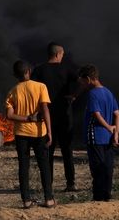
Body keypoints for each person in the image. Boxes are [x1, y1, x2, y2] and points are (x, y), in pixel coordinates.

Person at [6, 60, 54, 209]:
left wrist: (26, 118)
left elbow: (9, 115)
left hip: (21, 134)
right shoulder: (41, 87)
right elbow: (45, 109)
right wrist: (50, 131)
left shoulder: (12, 91)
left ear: (15, 75)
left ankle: (26, 201)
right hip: (39, 133)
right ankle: (49, 199)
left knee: (23, 166)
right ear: (29, 71)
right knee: (44, 165)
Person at [31, 42, 79, 192]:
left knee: (48, 152)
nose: (62, 57)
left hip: (47, 117)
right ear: (58, 54)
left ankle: (48, 184)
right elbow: (81, 81)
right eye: (62, 55)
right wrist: (74, 95)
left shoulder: (39, 70)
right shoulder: (67, 70)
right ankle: (71, 183)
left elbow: (31, 90)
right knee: (67, 151)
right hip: (65, 116)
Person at [79, 64, 119, 202]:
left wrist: (109, 127)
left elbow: (96, 115)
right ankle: (107, 196)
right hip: (108, 139)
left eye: (82, 81)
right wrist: (116, 133)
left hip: (95, 136)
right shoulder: (108, 92)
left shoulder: (92, 94)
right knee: (108, 167)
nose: (82, 84)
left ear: (88, 79)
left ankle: (98, 198)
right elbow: (118, 114)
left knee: (97, 169)